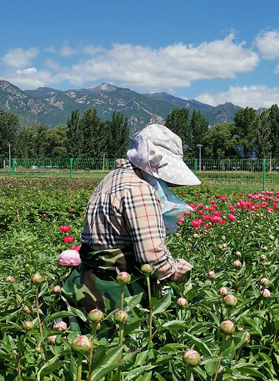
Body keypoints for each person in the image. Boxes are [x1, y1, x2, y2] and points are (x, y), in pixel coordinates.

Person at [62, 124, 199, 314]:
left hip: (87, 284)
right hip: (119, 293)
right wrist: (174, 272)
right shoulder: (139, 189)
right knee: (124, 342)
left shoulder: (112, 178)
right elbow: (152, 255)